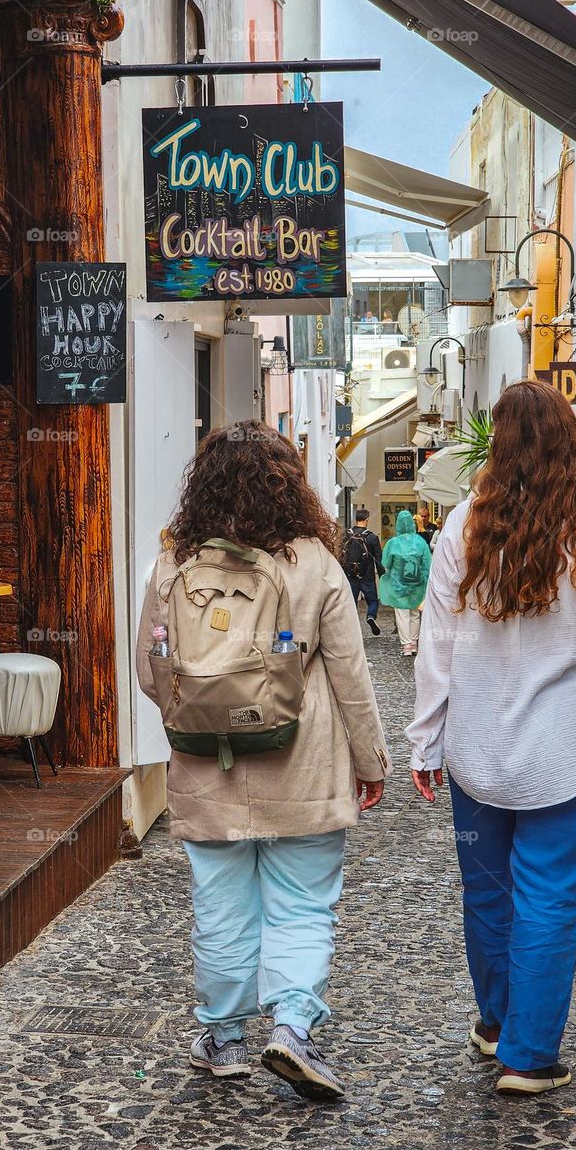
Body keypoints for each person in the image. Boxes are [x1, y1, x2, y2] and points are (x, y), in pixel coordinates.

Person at [406, 379, 576, 1096]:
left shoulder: (461, 527)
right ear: (570, 442)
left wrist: (426, 742)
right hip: (571, 752)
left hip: (479, 749)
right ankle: (528, 1054)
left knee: (486, 892)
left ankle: (495, 1023)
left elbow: (437, 646)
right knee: (549, 895)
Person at [137, 420, 389, 1101]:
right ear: (290, 486)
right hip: (303, 772)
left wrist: (202, 709)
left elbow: (147, 672)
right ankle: (292, 1026)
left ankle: (223, 1038)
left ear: (204, 487)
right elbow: (350, 679)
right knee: (304, 907)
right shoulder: (314, 563)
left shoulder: (172, 567)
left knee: (221, 909)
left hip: (206, 770)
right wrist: (371, 763)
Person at [378, 509, 431, 655]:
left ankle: (406, 645)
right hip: (417, 584)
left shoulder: (392, 543)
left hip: (398, 585)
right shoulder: (420, 542)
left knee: (402, 613)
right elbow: (427, 563)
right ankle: (414, 643)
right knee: (415, 613)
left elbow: (385, 563)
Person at [343, 507, 384, 636]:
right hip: (367, 575)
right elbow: (378, 559)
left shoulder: (347, 535)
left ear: (356, 519)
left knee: (351, 601)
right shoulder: (371, 537)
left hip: (351, 574)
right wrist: (382, 575)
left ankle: (351, 627)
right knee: (372, 601)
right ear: (367, 520)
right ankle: (371, 616)